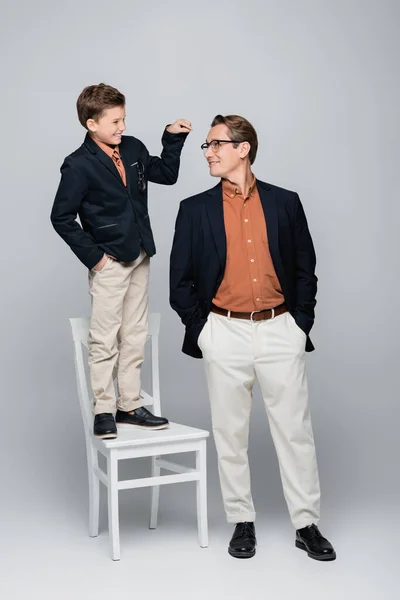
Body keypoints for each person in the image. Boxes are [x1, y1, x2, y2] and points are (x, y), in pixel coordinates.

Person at [169, 114, 335, 561]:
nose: (207, 152)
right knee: (230, 433)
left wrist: (300, 324)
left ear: (243, 148)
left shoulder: (285, 202)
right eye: (205, 145)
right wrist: (202, 332)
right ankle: (242, 522)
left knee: (295, 432)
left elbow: (305, 269)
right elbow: (179, 283)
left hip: (281, 328)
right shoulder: (194, 209)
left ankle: (307, 524)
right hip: (222, 331)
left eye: (215, 144)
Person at [51, 83, 191, 439]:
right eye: (114, 121)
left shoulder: (133, 148)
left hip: (140, 253)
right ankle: (104, 410)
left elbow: (166, 175)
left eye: (123, 119)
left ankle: (129, 404)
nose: (122, 127)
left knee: (135, 333)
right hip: (109, 262)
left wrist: (171, 140)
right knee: (105, 337)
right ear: (91, 124)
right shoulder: (78, 165)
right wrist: (96, 259)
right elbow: (61, 217)